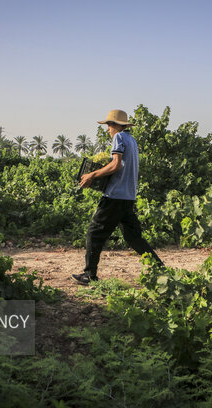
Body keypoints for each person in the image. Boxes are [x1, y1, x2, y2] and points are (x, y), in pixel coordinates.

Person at [72, 109, 163, 285]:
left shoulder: (119, 138)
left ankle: (89, 275)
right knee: (133, 237)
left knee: (94, 233)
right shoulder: (132, 140)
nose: (107, 129)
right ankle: (161, 270)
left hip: (114, 196)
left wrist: (93, 174)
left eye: (108, 125)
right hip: (128, 196)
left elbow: (116, 165)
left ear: (115, 125)